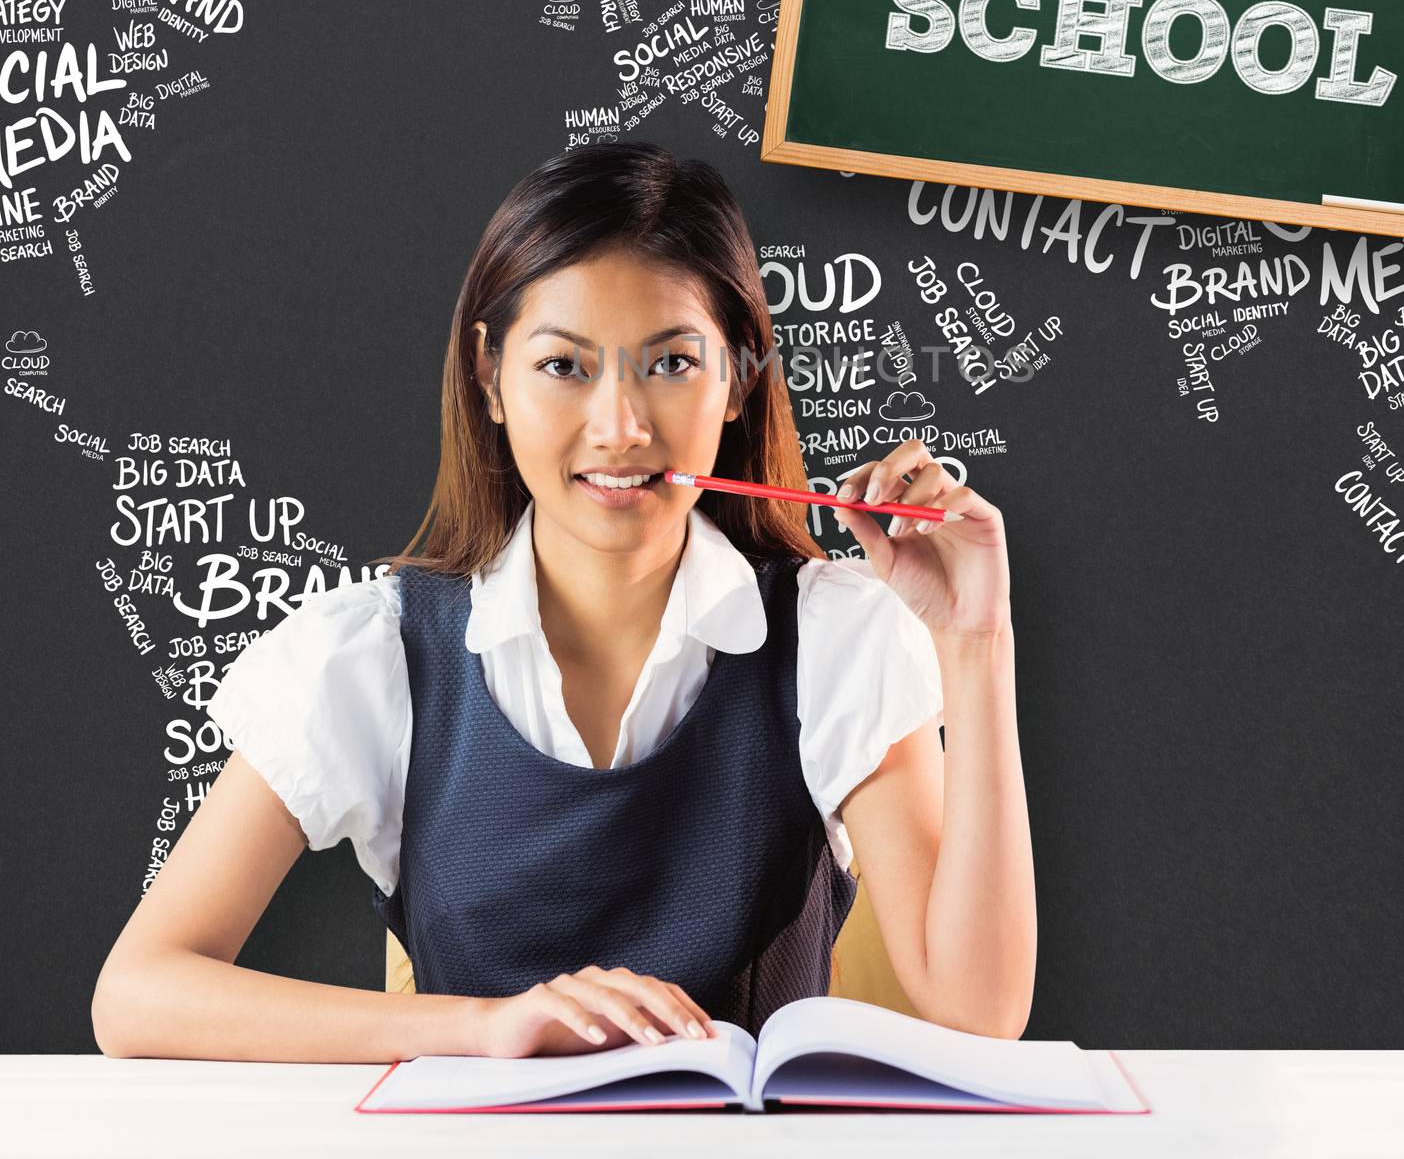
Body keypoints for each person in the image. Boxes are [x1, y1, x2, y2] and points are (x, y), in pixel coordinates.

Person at [92, 142, 1035, 1062]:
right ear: (488, 378)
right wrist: (480, 1027)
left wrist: (975, 636)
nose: (620, 427)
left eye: (670, 363)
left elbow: (979, 1010)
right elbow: (138, 993)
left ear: (741, 378)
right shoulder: (379, 653)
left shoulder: (834, 634)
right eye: (563, 366)